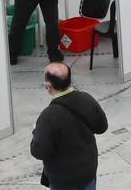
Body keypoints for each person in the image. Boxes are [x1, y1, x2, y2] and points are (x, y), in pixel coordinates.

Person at [31, 62, 108, 190]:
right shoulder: (87, 99)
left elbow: (38, 151)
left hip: (63, 181)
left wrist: (36, 131)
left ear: (48, 86)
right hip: (88, 173)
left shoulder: (49, 116)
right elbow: (102, 127)